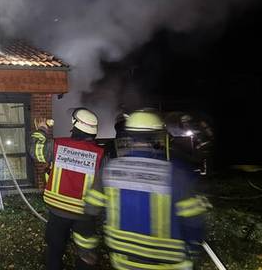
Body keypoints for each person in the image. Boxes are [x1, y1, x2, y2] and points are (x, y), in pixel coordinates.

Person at [84, 109, 210, 270]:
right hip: (168, 262)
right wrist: (192, 250)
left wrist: (89, 244)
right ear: (158, 137)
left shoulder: (109, 169)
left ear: (128, 136)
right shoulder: (176, 173)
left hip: (123, 260)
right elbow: (194, 220)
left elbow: (90, 209)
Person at [30, 108, 104, 270]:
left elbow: (35, 150)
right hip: (84, 214)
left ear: (75, 126)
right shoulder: (101, 154)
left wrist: (42, 129)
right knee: (86, 255)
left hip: (58, 211)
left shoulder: (58, 145)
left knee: (55, 250)